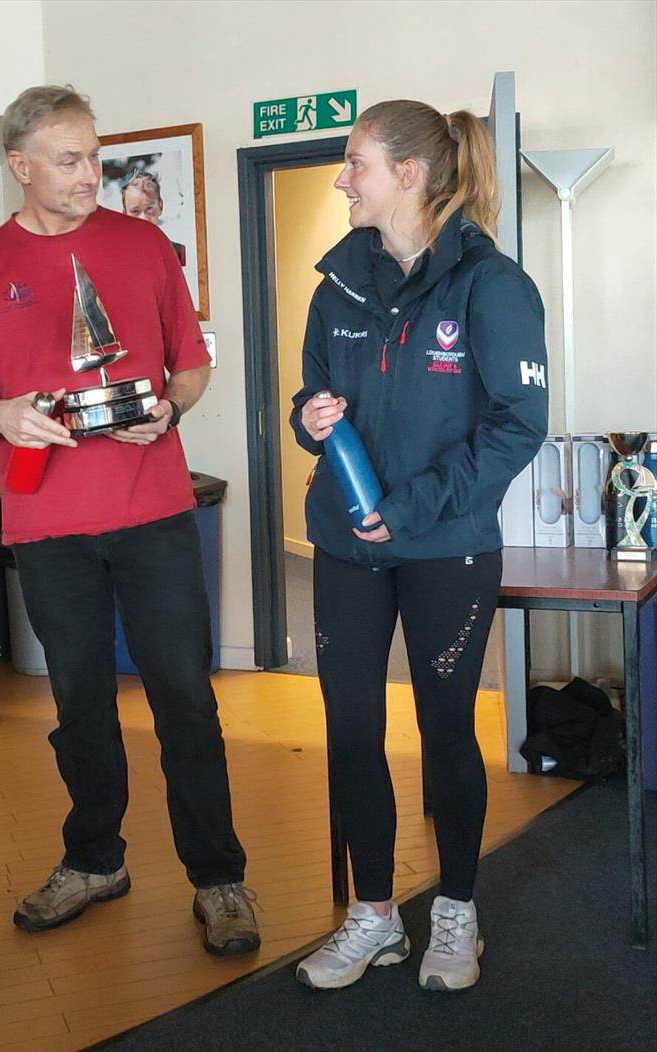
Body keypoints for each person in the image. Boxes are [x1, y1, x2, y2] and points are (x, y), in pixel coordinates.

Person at [0, 85, 259, 956]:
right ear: (22, 165)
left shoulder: (145, 244)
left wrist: (172, 409)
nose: (91, 175)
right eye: (70, 160)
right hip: (46, 526)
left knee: (187, 700)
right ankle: (95, 860)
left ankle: (219, 878)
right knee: (79, 706)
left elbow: (191, 364)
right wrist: (1, 416)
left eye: (95, 156)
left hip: (154, 514)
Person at [290, 100, 548, 992]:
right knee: (352, 731)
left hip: (447, 545)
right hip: (348, 544)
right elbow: (310, 397)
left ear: (409, 173)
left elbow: (519, 427)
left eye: (354, 162)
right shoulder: (338, 286)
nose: (341, 177)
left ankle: (456, 913)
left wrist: (414, 506)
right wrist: (309, 417)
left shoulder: (491, 285)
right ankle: (372, 916)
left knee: (446, 733)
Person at [122, 172, 187, 265]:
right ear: (124, 215)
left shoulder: (180, 254)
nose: (143, 218)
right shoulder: (118, 260)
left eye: (149, 208)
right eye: (135, 211)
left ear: (160, 206)